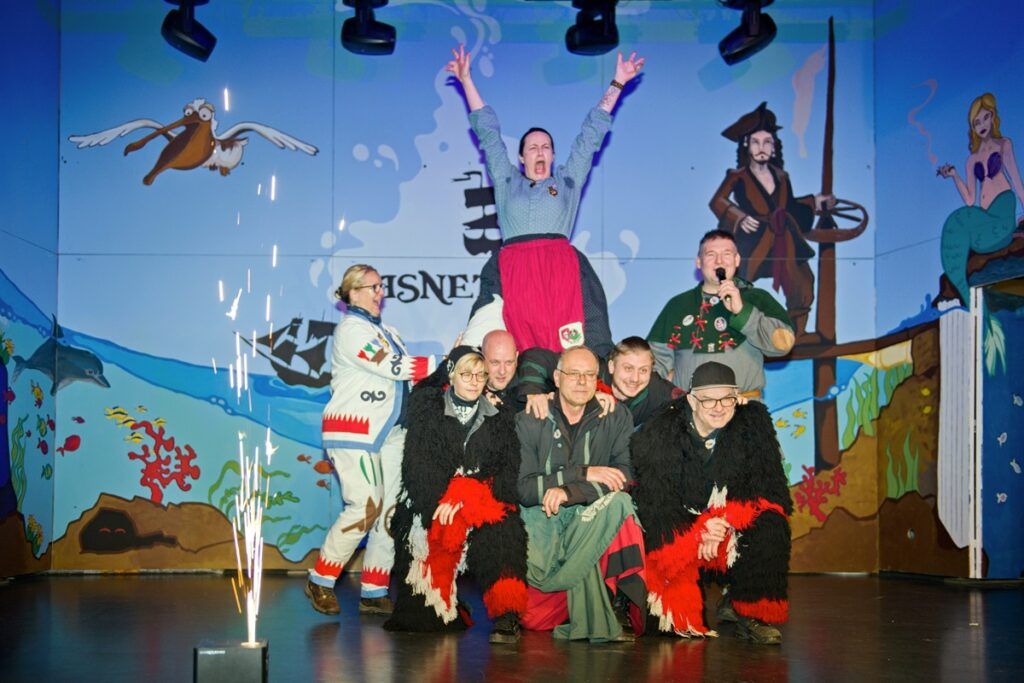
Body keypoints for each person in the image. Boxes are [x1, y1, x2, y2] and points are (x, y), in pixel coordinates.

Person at [445, 45, 646, 358]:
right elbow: (489, 134)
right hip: (516, 270)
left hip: (559, 272)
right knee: (517, 350)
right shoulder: (507, 181)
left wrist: (618, 82)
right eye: (533, 147)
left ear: (553, 155)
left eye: (546, 147)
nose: (540, 152)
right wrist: (466, 80)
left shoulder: (567, 182)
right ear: (521, 157)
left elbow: (590, 135)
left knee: (567, 350)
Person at [306, 264, 437, 617]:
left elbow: (406, 378)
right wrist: (445, 364)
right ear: (352, 293)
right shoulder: (351, 330)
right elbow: (391, 365)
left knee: (390, 511)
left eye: (381, 286)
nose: (381, 292)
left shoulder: (388, 331)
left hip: (390, 431)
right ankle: (321, 578)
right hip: (354, 431)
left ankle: (374, 589)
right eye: (373, 287)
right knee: (365, 506)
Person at [631, 362, 792, 644]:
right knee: (671, 628)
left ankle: (750, 611)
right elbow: (656, 504)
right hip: (682, 528)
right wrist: (699, 528)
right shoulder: (660, 431)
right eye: (708, 400)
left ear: (737, 397)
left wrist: (726, 520)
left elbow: (770, 488)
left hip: (726, 526)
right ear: (692, 400)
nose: (718, 407)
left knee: (771, 522)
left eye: (726, 399)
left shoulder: (753, 424)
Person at [384, 347, 528, 644]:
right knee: (424, 623)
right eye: (466, 374)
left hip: (480, 499)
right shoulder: (427, 412)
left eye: (481, 375)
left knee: (505, 530)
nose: (474, 381)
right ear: (451, 375)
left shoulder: (501, 416)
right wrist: (443, 499)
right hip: (432, 501)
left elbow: (506, 472)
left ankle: (506, 614)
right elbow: (416, 468)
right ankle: (447, 600)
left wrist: (466, 494)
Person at [515, 346, 646, 642]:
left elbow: (623, 477)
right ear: (557, 378)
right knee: (534, 620)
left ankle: (618, 603)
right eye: (574, 374)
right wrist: (581, 473)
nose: (582, 381)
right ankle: (574, 601)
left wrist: (570, 491)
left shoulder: (615, 416)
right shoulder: (530, 418)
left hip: (589, 517)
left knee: (621, 505)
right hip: (543, 525)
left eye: (589, 375)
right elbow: (524, 489)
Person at [709, 102, 835, 341]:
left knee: (802, 280)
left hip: (783, 238)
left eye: (767, 142)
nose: (761, 148)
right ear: (747, 146)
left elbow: (789, 206)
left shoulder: (781, 176)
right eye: (756, 142)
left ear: (774, 147)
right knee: (738, 284)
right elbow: (717, 201)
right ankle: (735, 333)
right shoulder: (738, 176)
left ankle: (797, 333)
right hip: (753, 240)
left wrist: (814, 202)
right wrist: (739, 217)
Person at [647, 229, 794, 398]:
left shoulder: (757, 298)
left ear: (737, 260)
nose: (719, 261)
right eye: (711, 254)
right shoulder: (678, 305)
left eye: (726, 254)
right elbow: (654, 363)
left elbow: (782, 345)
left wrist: (742, 311)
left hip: (744, 408)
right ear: (699, 262)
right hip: (690, 409)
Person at [937, 92, 1024, 305]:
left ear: (993, 116)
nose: (982, 124)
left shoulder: (1004, 145)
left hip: (1002, 212)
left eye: (985, 117)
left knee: (961, 219)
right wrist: (954, 175)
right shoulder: (972, 159)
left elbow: (1016, 181)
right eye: (977, 122)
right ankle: (962, 286)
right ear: (973, 127)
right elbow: (970, 200)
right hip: (984, 220)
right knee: (956, 220)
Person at [516, 336, 681, 428]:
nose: (635, 378)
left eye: (643, 370)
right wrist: (533, 392)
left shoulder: (656, 388)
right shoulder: (589, 369)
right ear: (611, 366)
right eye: (628, 368)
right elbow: (535, 357)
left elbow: (689, 401)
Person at [480, 329, 520, 406]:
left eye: (509, 362)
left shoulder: (529, 391)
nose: (502, 371)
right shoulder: (466, 392)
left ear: (516, 358)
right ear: (481, 359)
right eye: (495, 363)